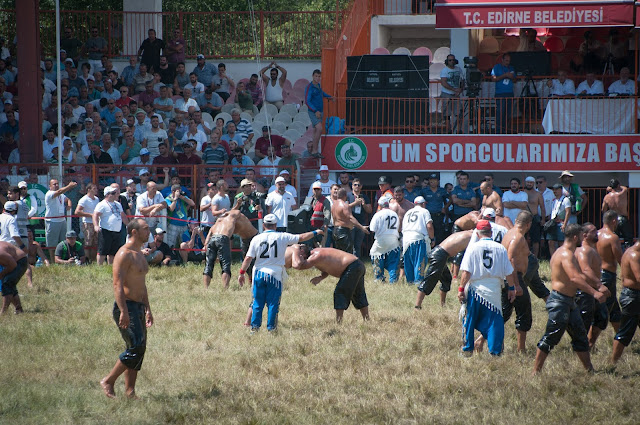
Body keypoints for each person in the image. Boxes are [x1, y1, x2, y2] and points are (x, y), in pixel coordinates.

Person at [533, 224, 606, 375]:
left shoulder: (565, 252)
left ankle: (590, 371)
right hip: (559, 302)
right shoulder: (566, 254)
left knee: (580, 336)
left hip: (569, 302)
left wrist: (597, 284)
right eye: (581, 236)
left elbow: (578, 275)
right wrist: (594, 292)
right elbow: (574, 278)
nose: (582, 239)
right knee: (551, 336)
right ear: (575, 237)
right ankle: (536, 372)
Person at [238, 214, 319, 332]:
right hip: (275, 274)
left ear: (264, 225)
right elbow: (302, 237)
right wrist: (316, 232)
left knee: (257, 302)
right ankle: (271, 329)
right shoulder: (282, 236)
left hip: (259, 273)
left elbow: (248, 258)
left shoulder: (256, 238)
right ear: (275, 225)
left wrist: (242, 273)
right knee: (273, 304)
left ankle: (254, 328)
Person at [100, 219, 153, 399]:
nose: (149, 231)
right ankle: (108, 381)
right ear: (134, 232)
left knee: (138, 348)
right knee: (136, 347)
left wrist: (148, 309)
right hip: (126, 306)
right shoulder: (124, 254)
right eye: (145, 229)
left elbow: (142, 285)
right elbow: (117, 284)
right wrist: (123, 310)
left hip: (138, 306)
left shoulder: (140, 254)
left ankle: (130, 391)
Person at [458, 220, 516, 357]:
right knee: (494, 321)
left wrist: (461, 289)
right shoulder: (500, 248)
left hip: (476, 288)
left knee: (470, 319)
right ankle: (495, 351)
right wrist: (511, 288)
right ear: (491, 233)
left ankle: (467, 349)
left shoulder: (473, 248)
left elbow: (466, 272)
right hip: (494, 289)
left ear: (478, 234)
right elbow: (509, 272)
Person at [294, 245, 370, 323]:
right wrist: (320, 277)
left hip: (352, 266)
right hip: (357, 265)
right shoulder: (316, 254)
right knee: (358, 293)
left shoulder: (315, 256)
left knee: (340, 293)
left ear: (302, 252)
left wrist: (295, 251)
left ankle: (339, 322)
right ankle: (367, 319)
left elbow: (298, 266)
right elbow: (327, 268)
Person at [589, 210, 623, 349]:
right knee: (603, 312)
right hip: (608, 276)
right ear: (614, 221)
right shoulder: (613, 237)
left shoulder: (595, 235)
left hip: (597, 274)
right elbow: (620, 258)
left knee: (614, 310)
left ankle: (621, 338)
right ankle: (589, 343)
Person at [415, 230, 473, 309]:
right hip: (440, 255)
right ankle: (417, 306)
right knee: (429, 281)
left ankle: (442, 305)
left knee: (446, 279)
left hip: (441, 254)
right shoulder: (473, 237)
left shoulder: (468, 233)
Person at [203, 210, 257, 289]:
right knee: (226, 265)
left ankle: (206, 288)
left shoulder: (216, 223)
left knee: (208, 265)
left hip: (213, 238)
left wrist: (206, 246)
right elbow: (237, 211)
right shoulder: (232, 217)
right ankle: (225, 288)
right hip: (223, 238)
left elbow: (207, 240)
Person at [611, 239, 640, 363]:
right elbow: (639, 278)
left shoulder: (631, 252)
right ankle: (613, 362)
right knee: (625, 332)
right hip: (632, 297)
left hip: (634, 295)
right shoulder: (634, 255)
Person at [575, 222, 607, 331]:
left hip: (593, 290)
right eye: (593, 231)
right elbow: (586, 269)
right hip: (585, 292)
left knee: (601, 318)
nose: (597, 233)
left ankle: (589, 341)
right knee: (584, 323)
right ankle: (582, 341)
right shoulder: (585, 250)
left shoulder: (591, 249)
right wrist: (600, 285)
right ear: (584, 235)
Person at [402, 197, 434, 286]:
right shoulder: (424, 211)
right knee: (419, 261)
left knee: (408, 262)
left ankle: (410, 282)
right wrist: (432, 238)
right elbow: (429, 226)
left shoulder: (408, 212)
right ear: (423, 204)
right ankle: (418, 281)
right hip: (418, 238)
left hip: (406, 239)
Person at [93, 186, 128, 265]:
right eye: (113, 193)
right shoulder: (102, 204)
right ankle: (99, 266)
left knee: (113, 251)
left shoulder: (118, 204)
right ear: (107, 195)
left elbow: (123, 216)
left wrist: (128, 225)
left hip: (116, 230)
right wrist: (96, 225)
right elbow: (95, 215)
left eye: (115, 193)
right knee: (102, 250)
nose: (115, 194)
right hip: (106, 230)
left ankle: (110, 266)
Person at [44, 179, 76, 260]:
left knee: (64, 242)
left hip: (62, 221)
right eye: (54, 184)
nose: (56, 185)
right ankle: (53, 261)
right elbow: (59, 191)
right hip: (52, 221)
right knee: (52, 244)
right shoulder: (49, 194)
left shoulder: (61, 195)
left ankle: (63, 260)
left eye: (57, 184)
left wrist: (69, 205)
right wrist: (69, 186)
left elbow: (67, 199)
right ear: (50, 186)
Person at [369, 199, 400, 284]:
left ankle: (379, 278)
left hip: (381, 239)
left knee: (375, 254)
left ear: (380, 205)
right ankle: (393, 279)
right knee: (393, 260)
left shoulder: (378, 214)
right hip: (393, 239)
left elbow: (372, 229)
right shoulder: (394, 214)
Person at [305, 69, 333, 157]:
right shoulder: (310, 87)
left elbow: (321, 93)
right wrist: (315, 111)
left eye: (319, 76)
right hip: (314, 111)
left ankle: (314, 151)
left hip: (320, 111)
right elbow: (307, 101)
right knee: (319, 128)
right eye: (316, 76)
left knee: (315, 130)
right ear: (313, 76)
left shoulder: (318, 86)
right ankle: (315, 150)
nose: (317, 78)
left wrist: (329, 97)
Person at [331, 188, 369, 254]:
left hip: (335, 230)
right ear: (345, 195)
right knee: (347, 253)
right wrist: (362, 227)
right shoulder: (344, 205)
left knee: (339, 253)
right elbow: (351, 218)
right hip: (343, 231)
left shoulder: (334, 205)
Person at [602, 179, 632, 248]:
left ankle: (615, 251)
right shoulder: (623, 193)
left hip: (613, 219)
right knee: (628, 239)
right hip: (623, 217)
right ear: (618, 185)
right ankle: (627, 250)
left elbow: (603, 209)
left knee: (614, 239)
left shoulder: (607, 197)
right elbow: (624, 188)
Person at [0, 241, 27, 314]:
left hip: (20, 261)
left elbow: (13, 265)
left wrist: (1, 274)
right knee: (9, 285)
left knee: (7, 284)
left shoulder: (1, 253)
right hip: (14, 262)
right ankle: (19, 309)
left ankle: (3, 312)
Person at [491, 53, 515, 133]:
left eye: (509, 61)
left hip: (510, 93)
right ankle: (498, 131)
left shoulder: (511, 68)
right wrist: (504, 75)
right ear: (502, 60)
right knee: (500, 113)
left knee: (508, 114)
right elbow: (493, 79)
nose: (507, 62)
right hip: (500, 93)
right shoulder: (496, 67)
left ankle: (506, 131)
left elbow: (515, 79)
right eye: (506, 60)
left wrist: (512, 77)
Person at [75, 183, 100, 262]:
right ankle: (86, 260)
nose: (96, 190)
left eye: (96, 188)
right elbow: (77, 211)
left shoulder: (96, 199)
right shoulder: (84, 199)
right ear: (89, 190)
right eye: (94, 189)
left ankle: (93, 260)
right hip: (87, 223)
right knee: (88, 242)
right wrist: (91, 215)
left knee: (95, 243)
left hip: (96, 223)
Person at [440, 54, 464, 133]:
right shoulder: (444, 70)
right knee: (447, 114)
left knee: (459, 112)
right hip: (447, 94)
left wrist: (460, 89)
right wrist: (454, 89)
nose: (452, 62)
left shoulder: (458, 69)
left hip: (456, 95)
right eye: (450, 60)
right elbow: (443, 82)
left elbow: (462, 80)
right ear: (447, 61)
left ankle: (459, 130)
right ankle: (448, 131)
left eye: (453, 60)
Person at [523, 176, 546, 257]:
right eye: (528, 182)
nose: (529, 184)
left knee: (535, 239)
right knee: (523, 238)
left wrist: (543, 219)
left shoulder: (538, 194)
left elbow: (542, 208)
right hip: (524, 218)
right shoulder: (521, 193)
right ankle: (523, 256)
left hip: (534, 218)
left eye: (531, 182)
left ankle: (535, 258)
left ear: (533, 184)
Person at [547, 183, 571, 256]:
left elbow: (568, 212)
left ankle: (562, 257)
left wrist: (565, 224)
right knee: (551, 241)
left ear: (561, 190)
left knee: (561, 242)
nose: (555, 191)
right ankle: (553, 258)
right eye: (554, 190)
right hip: (553, 223)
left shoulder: (565, 200)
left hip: (561, 223)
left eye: (556, 189)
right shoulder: (554, 200)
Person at [350, 178, 371, 259]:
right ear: (352, 186)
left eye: (358, 185)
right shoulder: (348, 195)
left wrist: (364, 204)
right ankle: (350, 261)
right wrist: (354, 203)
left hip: (361, 223)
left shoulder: (364, 197)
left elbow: (369, 210)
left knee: (358, 245)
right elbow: (344, 208)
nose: (357, 186)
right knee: (350, 244)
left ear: (361, 186)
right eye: (355, 185)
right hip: (350, 223)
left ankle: (357, 261)